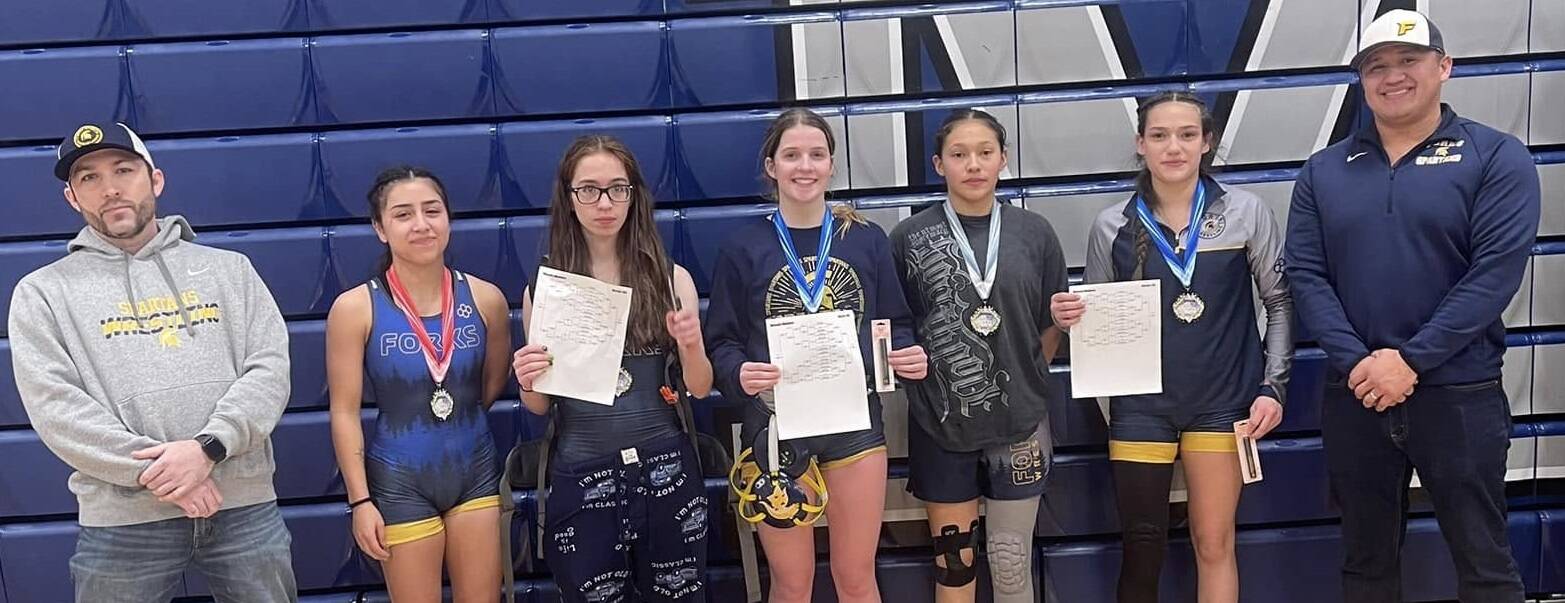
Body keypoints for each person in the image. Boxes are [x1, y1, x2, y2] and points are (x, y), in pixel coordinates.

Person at [1284, 9, 1539, 602]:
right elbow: (1307, 275)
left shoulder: (1497, 157)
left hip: (1459, 392)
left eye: (1408, 61)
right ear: (1362, 80)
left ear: (1443, 67)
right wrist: (1359, 363)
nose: (1391, 76)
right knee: (1365, 564)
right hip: (1357, 394)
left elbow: (1493, 276)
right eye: (1376, 66)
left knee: (1484, 562)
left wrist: (1412, 361)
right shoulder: (1323, 172)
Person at [9, 121, 296, 601]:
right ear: (72, 199)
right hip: (123, 521)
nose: (110, 189)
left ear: (156, 180)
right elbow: (55, 408)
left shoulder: (231, 271)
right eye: (88, 178)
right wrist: (162, 475)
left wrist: (207, 449)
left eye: (123, 169)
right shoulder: (42, 293)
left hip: (242, 508)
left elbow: (269, 370)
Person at [1051, 92, 1292, 602]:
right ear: (1141, 145)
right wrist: (1069, 319)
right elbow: (1096, 325)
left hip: (1222, 406)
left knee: (1214, 543)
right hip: (1140, 410)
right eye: (1159, 136)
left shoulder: (1246, 213)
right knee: (1141, 547)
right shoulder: (1111, 225)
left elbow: (1281, 302)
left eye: (1187, 135)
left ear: (1207, 142)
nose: (1174, 148)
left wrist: (1273, 387)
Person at [704, 107, 927, 603]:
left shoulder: (866, 240)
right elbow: (720, 341)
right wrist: (739, 371)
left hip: (855, 426)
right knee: (790, 583)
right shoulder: (742, 248)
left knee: (856, 579)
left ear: (830, 165)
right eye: (791, 155)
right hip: (776, 430)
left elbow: (898, 323)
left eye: (816, 155)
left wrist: (910, 355)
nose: (804, 166)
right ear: (771, 167)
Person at [511, 135, 714, 602]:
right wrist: (526, 377)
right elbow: (540, 406)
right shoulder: (544, 287)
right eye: (589, 189)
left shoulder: (670, 277)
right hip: (582, 475)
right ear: (569, 197)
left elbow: (700, 388)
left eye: (617, 188)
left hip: (667, 470)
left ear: (634, 195)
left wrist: (691, 344)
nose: (605, 202)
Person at [889, 109, 1067, 603]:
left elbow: (1051, 323)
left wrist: (1028, 371)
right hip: (941, 423)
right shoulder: (908, 237)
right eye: (959, 154)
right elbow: (897, 325)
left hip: (1021, 421)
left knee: (1011, 563)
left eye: (985, 153)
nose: (973, 164)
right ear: (938, 163)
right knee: (954, 566)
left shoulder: (1035, 232)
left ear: (1003, 159)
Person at [326, 166, 510, 602]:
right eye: (403, 214)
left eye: (432, 211)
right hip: (399, 481)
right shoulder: (354, 309)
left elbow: (491, 386)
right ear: (380, 228)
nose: (422, 224)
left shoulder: (487, 300)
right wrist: (360, 502)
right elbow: (344, 412)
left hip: (476, 474)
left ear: (448, 219)